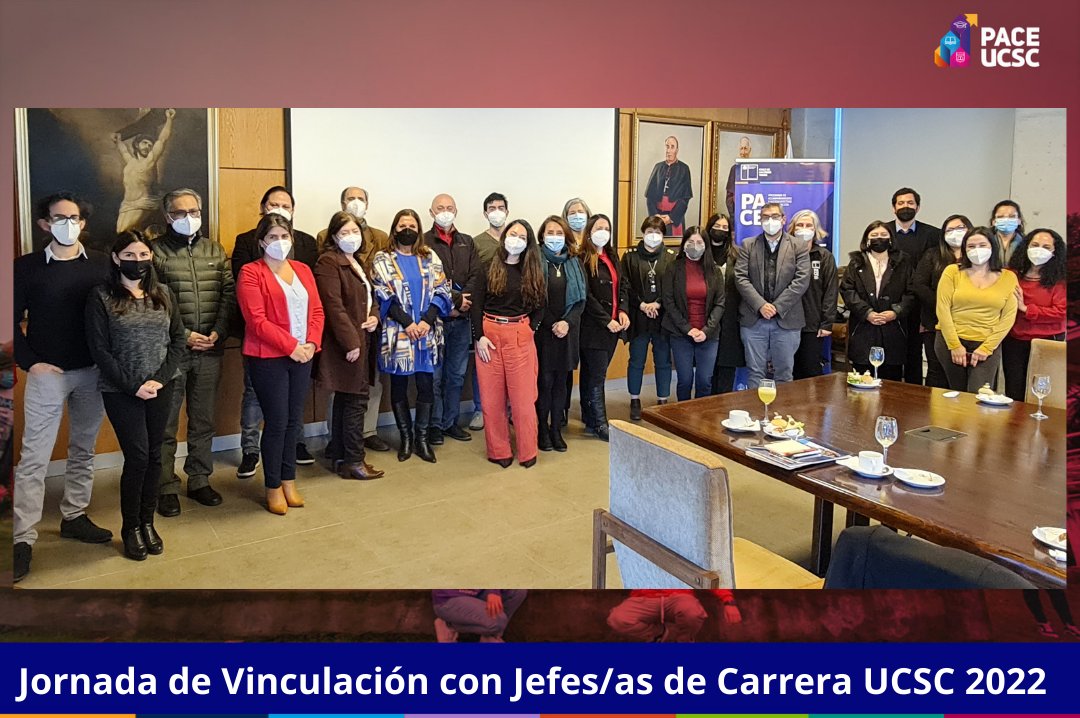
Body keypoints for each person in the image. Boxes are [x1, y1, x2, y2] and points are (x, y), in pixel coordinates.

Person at [12, 192, 111, 583]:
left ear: (83, 223)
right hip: (47, 375)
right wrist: (30, 362)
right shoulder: (26, 267)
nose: (68, 224)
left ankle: (74, 515)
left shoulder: (101, 264)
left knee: (83, 449)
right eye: (59, 218)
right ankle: (21, 538)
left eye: (74, 218)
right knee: (34, 458)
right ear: (45, 224)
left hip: (91, 372)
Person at [85, 231, 186, 560]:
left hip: (161, 386)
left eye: (143, 255)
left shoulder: (164, 293)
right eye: (129, 255)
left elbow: (178, 340)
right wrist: (133, 385)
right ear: (116, 258)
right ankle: (130, 528)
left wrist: (159, 379)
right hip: (121, 390)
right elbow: (99, 350)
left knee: (155, 456)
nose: (137, 261)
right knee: (138, 457)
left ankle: (147, 522)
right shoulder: (101, 296)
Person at [153, 188, 235, 517]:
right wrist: (184, 336)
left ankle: (199, 478)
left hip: (210, 349)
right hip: (171, 351)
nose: (188, 218)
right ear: (167, 216)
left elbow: (228, 294)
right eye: (180, 212)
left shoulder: (214, 250)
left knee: (203, 419)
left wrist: (219, 331)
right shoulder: (155, 252)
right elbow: (152, 301)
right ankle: (165, 485)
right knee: (166, 424)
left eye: (194, 212)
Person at [236, 215, 325, 515]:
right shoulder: (251, 272)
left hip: (303, 355)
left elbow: (317, 311)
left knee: (292, 421)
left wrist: (311, 343)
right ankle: (273, 485)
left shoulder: (302, 269)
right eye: (272, 237)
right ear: (262, 242)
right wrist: (292, 347)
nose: (279, 242)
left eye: (284, 236)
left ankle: (289, 480)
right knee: (276, 422)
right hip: (268, 358)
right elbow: (256, 320)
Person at [315, 187, 393, 455]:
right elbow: (333, 305)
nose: (351, 237)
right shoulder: (328, 262)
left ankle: (342, 454)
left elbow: (372, 296)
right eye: (345, 232)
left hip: (365, 336)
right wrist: (351, 343)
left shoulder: (357, 260)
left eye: (355, 232)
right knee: (353, 399)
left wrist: (374, 316)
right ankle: (353, 459)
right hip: (347, 342)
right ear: (334, 236)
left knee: (353, 398)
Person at [372, 210, 454, 464]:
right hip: (399, 332)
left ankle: (422, 439)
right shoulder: (383, 259)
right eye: (402, 225)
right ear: (394, 229)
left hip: (427, 331)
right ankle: (406, 439)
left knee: (426, 385)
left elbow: (442, 289)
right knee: (398, 386)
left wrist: (426, 320)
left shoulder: (429, 256)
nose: (407, 229)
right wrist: (408, 323)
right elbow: (383, 295)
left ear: (419, 230)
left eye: (412, 225)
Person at [472, 220, 546, 468]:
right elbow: (476, 305)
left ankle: (528, 451)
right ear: (504, 237)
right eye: (513, 234)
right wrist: (479, 337)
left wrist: (530, 330)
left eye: (522, 237)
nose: (516, 240)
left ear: (528, 243)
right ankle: (499, 451)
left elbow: (541, 306)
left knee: (523, 400)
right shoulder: (488, 267)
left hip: (519, 333)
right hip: (489, 335)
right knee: (492, 400)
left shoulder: (532, 270)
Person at [426, 193, 482, 445]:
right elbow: (428, 281)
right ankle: (435, 425)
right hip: (435, 321)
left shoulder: (467, 242)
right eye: (440, 208)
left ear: (456, 211)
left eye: (449, 207)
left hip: (461, 321)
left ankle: (451, 422)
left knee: (456, 375)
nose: (445, 212)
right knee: (435, 377)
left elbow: (475, 276)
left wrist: (461, 305)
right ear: (431, 212)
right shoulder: (423, 242)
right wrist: (451, 304)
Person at [734, 203, 810, 388]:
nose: (770, 221)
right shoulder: (748, 245)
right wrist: (761, 305)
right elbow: (740, 277)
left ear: (783, 219)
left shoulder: (798, 246)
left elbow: (801, 280)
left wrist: (777, 307)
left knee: (784, 373)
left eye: (775, 216)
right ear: (760, 220)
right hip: (754, 320)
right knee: (755, 372)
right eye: (765, 217)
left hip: (786, 320)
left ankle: (782, 408)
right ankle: (756, 407)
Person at [934, 227, 1019, 393]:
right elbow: (942, 308)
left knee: (978, 394)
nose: (977, 250)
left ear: (992, 247)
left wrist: (987, 348)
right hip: (950, 341)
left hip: (986, 343)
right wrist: (954, 345)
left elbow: (1008, 317)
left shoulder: (1009, 277)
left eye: (982, 245)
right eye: (971, 246)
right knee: (955, 394)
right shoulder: (952, 271)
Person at [839, 221, 915, 381]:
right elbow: (847, 290)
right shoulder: (856, 262)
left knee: (891, 381)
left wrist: (896, 312)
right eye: (874, 235)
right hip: (863, 328)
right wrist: (866, 312)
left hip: (893, 329)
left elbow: (912, 292)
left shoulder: (904, 262)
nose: (879, 238)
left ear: (891, 239)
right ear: (867, 239)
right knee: (862, 380)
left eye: (883, 235)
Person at [535, 217, 586, 452]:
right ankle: (542, 431)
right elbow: (533, 298)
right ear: (542, 236)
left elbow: (581, 300)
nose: (554, 237)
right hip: (543, 333)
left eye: (559, 233)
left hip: (567, 333)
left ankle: (556, 430)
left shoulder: (575, 262)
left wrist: (567, 323)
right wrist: (552, 323)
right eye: (550, 232)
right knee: (544, 382)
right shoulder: (534, 261)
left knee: (561, 384)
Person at [577, 214, 629, 441]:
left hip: (614, 327)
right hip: (594, 328)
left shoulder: (612, 255)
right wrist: (606, 319)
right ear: (589, 232)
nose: (603, 232)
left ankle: (589, 417)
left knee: (593, 374)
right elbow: (585, 295)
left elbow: (623, 285)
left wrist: (623, 310)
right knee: (596, 376)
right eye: (598, 228)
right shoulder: (582, 258)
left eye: (606, 228)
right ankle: (600, 423)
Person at [1001, 229, 1066, 401]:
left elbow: (1061, 312)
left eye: (1046, 247)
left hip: (1047, 342)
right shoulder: (1011, 274)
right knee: (1014, 388)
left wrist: (1026, 308)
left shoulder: (1061, 280)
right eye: (1035, 245)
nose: (1039, 250)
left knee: (1042, 390)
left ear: (1055, 252)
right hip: (1014, 339)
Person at [662, 226, 725, 401]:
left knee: (704, 381)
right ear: (684, 244)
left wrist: (706, 330)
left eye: (699, 242)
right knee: (685, 380)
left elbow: (720, 303)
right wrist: (687, 329)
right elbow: (669, 301)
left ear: (705, 246)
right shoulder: (673, 268)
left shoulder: (715, 271)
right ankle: (683, 414)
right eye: (690, 242)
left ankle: (701, 414)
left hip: (709, 335)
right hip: (681, 333)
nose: (694, 246)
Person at [622, 216, 676, 419]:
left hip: (662, 317)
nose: (653, 236)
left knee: (663, 360)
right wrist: (642, 305)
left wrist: (658, 303)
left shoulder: (671, 257)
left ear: (663, 235)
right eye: (649, 232)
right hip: (638, 316)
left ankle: (663, 400)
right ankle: (635, 400)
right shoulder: (630, 257)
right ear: (643, 233)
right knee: (637, 359)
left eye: (658, 232)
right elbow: (625, 285)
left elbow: (673, 286)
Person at [912, 215, 973, 388]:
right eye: (950, 230)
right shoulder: (933, 255)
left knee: (964, 374)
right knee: (936, 370)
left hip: (969, 325)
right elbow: (919, 285)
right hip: (934, 321)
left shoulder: (977, 258)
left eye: (960, 228)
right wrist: (943, 306)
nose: (955, 233)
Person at [467, 192, 510, 432]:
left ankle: (511, 409)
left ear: (507, 211)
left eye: (500, 207)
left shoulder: (517, 238)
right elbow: (473, 277)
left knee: (511, 364)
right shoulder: (477, 243)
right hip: (486, 311)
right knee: (484, 362)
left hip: (513, 312)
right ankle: (480, 409)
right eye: (492, 208)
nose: (496, 212)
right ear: (485, 213)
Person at [890, 187, 941, 385]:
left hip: (920, 303)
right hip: (891, 302)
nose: (906, 207)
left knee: (914, 351)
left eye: (910, 203)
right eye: (901, 203)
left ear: (918, 207)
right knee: (892, 349)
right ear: (893, 207)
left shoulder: (933, 234)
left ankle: (914, 392)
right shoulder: (883, 232)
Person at [788, 210, 838, 379]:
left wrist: (827, 323)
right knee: (788, 371)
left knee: (810, 370)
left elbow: (831, 291)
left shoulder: (824, 257)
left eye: (808, 225)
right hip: (786, 324)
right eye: (800, 225)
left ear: (815, 230)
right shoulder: (785, 255)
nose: (804, 228)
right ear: (793, 229)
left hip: (812, 325)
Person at [113, 108, 174, 232]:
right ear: (137, 145)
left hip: (143, 202)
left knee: (123, 231)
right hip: (127, 204)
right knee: (121, 232)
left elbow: (162, 139)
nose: (147, 146)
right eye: (144, 143)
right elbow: (123, 151)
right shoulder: (131, 162)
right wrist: (118, 140)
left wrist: (169, 119)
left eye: (150, 145)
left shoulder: (149, 162)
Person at [608, 589, 741, 642]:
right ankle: (660, 634)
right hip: (643, 597)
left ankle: (683, 642)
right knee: (617, 618)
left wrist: (728, 600)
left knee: (691, 611)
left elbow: (709, 568)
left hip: (678, 595)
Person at [706, 213, 744, 394]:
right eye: (717, 226)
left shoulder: (737, 255)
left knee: (726, 368)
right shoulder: (700, 252)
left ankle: (723, 403)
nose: (720, 230)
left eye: (724, 228)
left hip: (730, 319)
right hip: (706, 318)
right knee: (707, 370)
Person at [432, 589, 527, 643]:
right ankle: (448, 624)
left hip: (476, 593)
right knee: (498, 621)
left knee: (517, 590)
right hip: (449, 597)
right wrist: (493, 591)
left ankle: (490, 636)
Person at [644, 136, 694, 237]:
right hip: (657, 216)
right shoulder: (658, 167)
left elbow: (685, 199)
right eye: (667, 146)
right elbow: (650, 196)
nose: (669, 150)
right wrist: (655, 216)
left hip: (674, 217)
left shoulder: (684, 169)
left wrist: (671, 217)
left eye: (672, 147)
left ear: (677, 150)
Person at [991, 199, 1026, 265]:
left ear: (1019, 220)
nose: (1006, 220)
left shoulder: (1026, 243)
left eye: (1012, 216)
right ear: (994, 222)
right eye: (1000, 217)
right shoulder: (986, 241)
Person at [725, 136, 752, 217]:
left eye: (745, 148)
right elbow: (729, 196)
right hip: (736, 213)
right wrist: (733, 215)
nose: (743, 152)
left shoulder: (755, 169)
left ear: (750, 150)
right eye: (741, 149)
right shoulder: (734, 169)